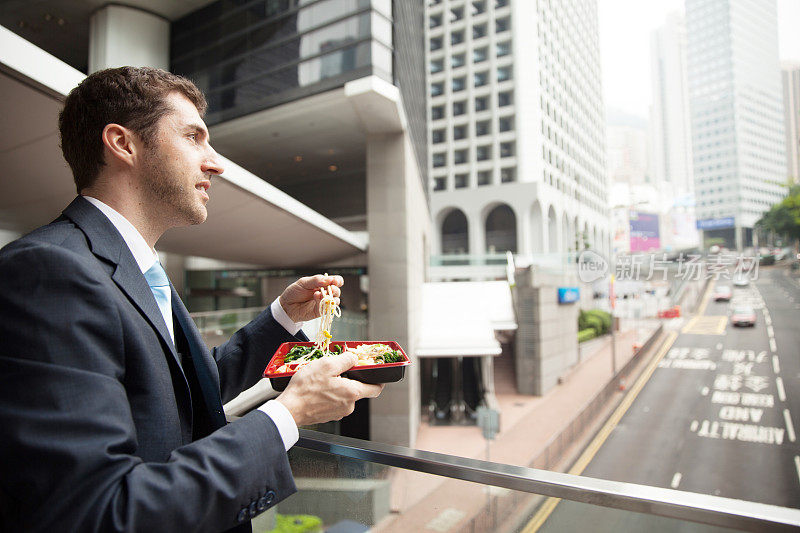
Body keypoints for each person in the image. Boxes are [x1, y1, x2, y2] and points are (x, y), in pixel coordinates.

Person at [0, 66, 383, 532]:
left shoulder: (135, 267)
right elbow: (98, 510)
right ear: (123, 143)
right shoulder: (49, 271)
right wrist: (289, 413)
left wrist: (282, 317)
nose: (216, 162)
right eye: (193, 137)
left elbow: (180, 392)